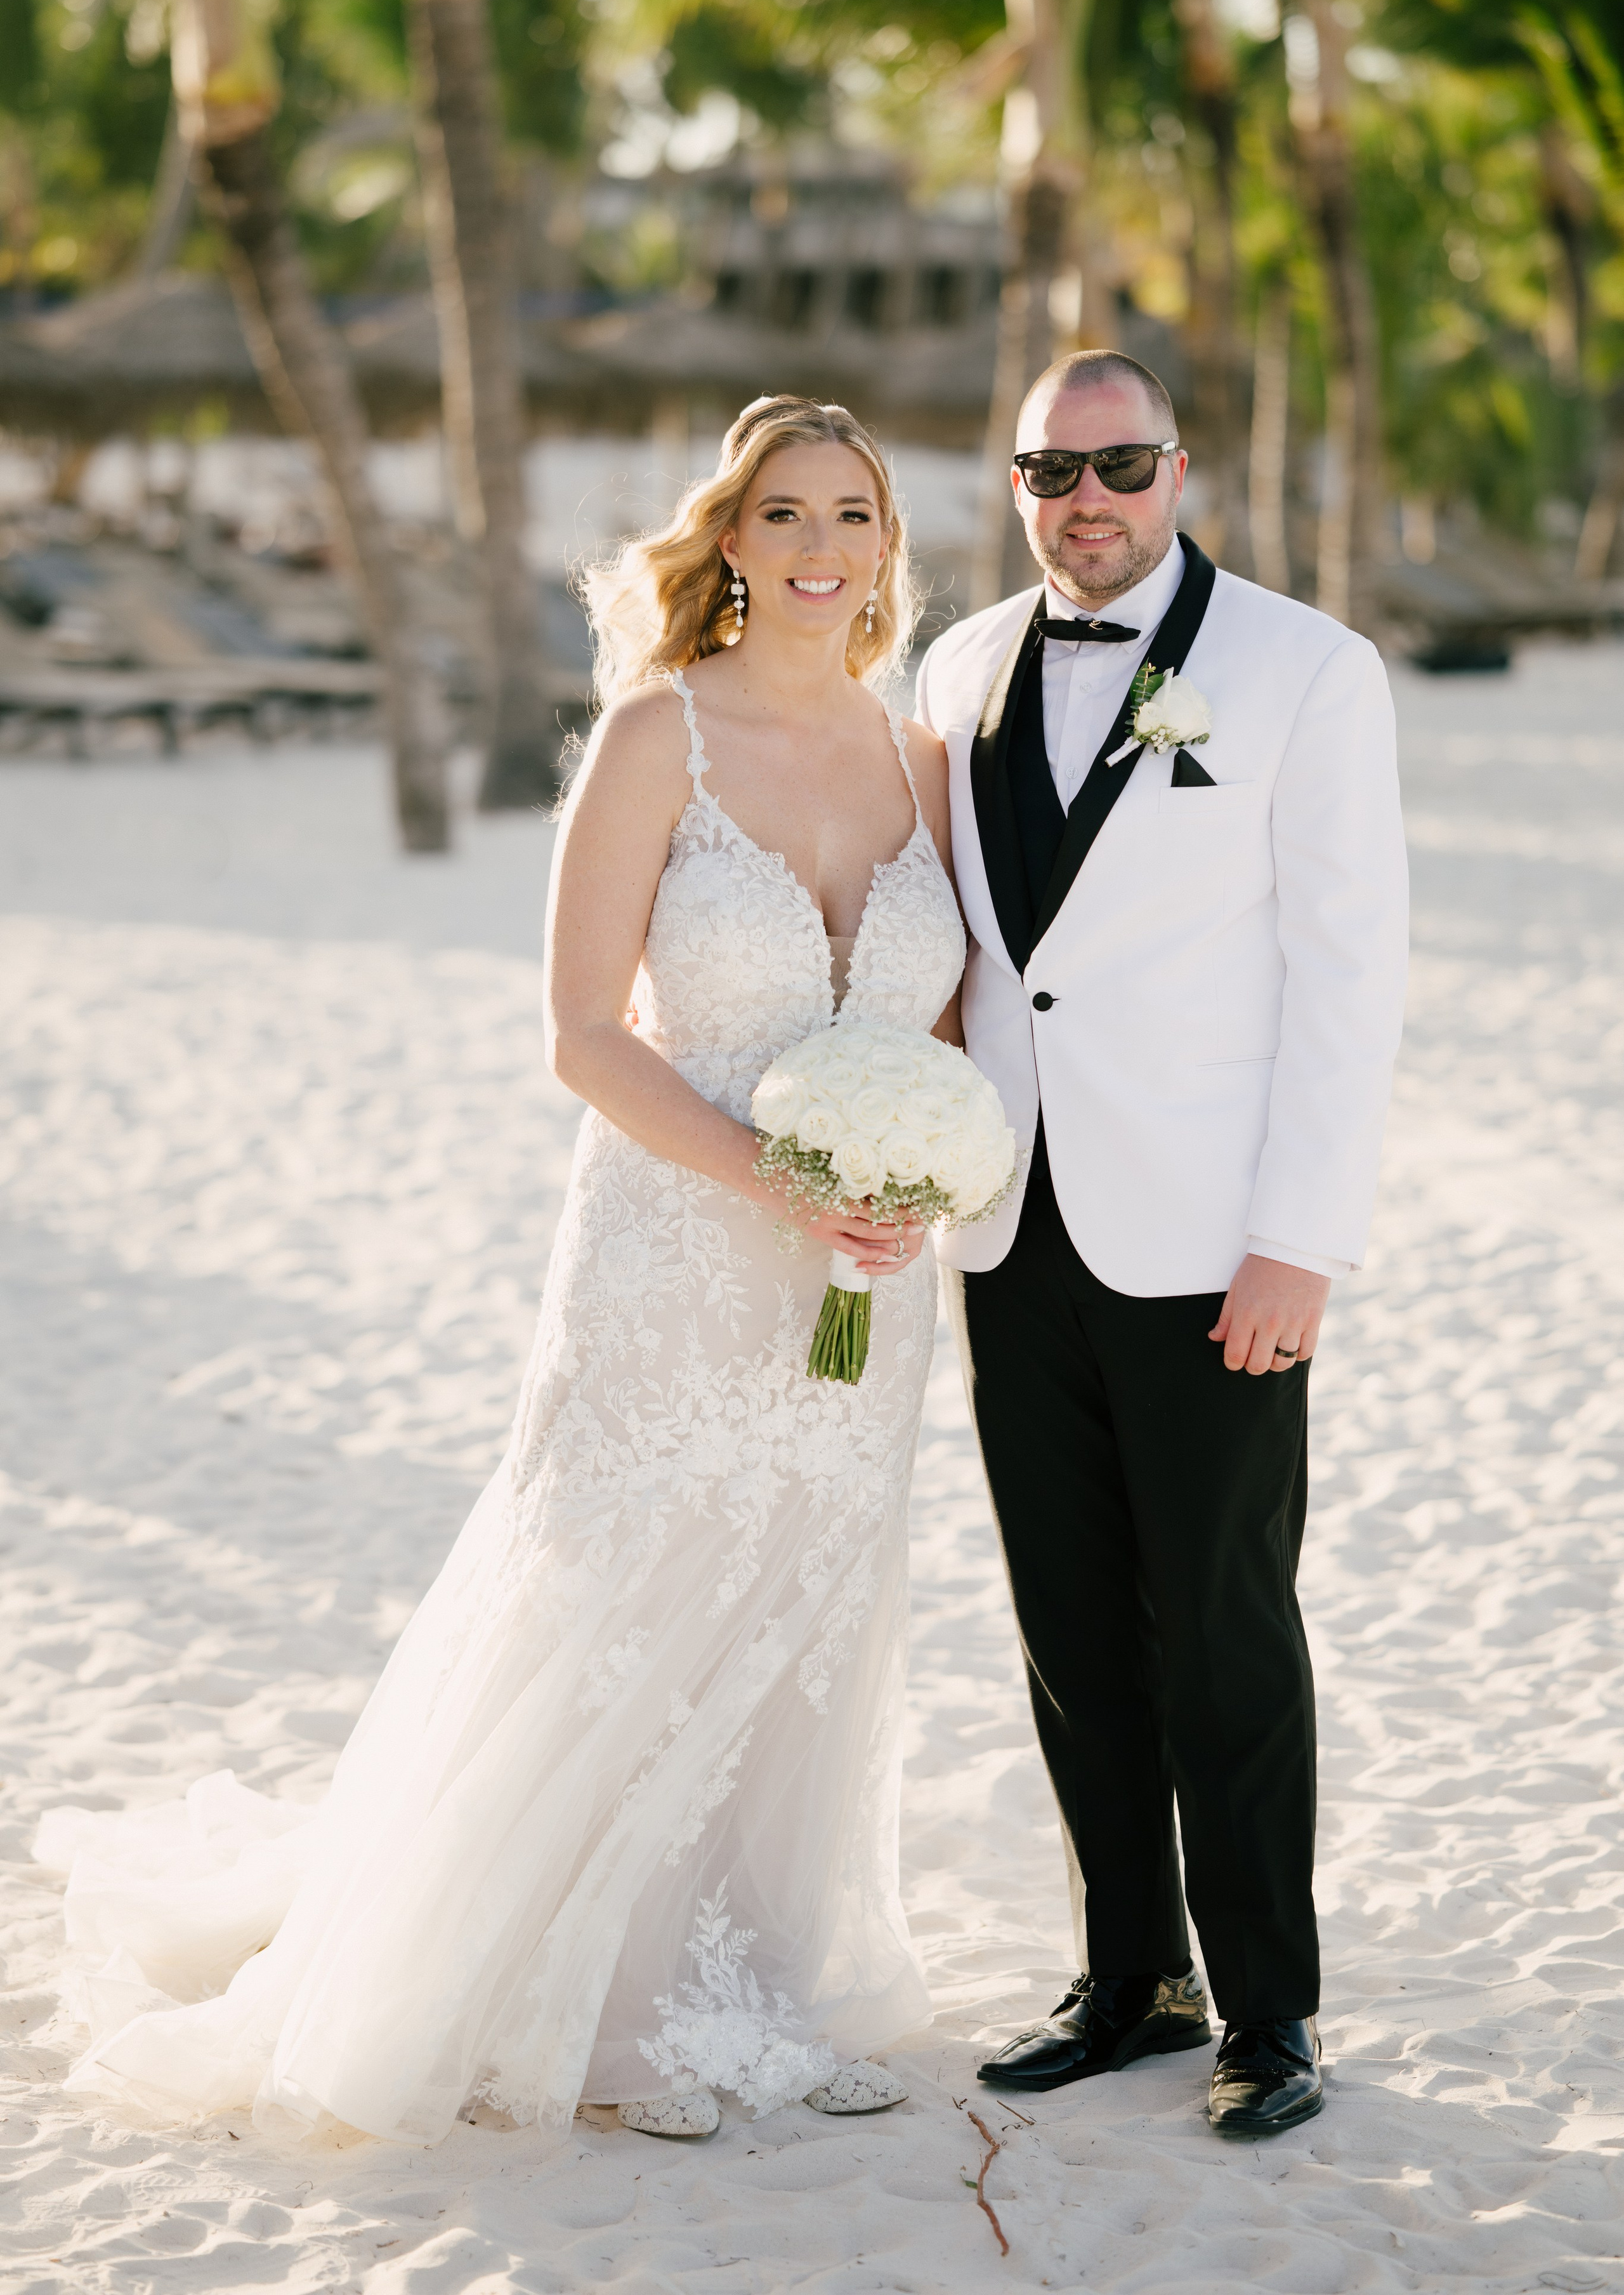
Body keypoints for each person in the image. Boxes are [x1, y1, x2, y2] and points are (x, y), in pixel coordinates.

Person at [36, 395, 966, 2150]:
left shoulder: (923, 761)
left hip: (865, 1277)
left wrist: (916, 1182)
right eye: (785, 513)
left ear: (887, 550)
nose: (823, 547)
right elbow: (582, 1036)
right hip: (678, 1249)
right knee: (622, 1592)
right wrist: (777, 1174)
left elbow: (951, 1026)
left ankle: (759, 1989)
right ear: (732, 540)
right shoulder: (656, 737)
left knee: (808, 1608)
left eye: (854, 515)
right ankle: (605, 2009)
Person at [915, 348, 1408, 2138]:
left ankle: (1268, 2010)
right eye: (1052, 470)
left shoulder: (1306, 669)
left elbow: (1351, 977)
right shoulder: (958, 668)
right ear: (1019, 485)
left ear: (1178, 470)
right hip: (1012, 1224)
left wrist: (1301, 1242)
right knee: (1070, 1627)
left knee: (1224, 1625)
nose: (1088, 500)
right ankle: (1131, 1973)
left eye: (1119, 465)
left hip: (1214, 1241)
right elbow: (972, 955)